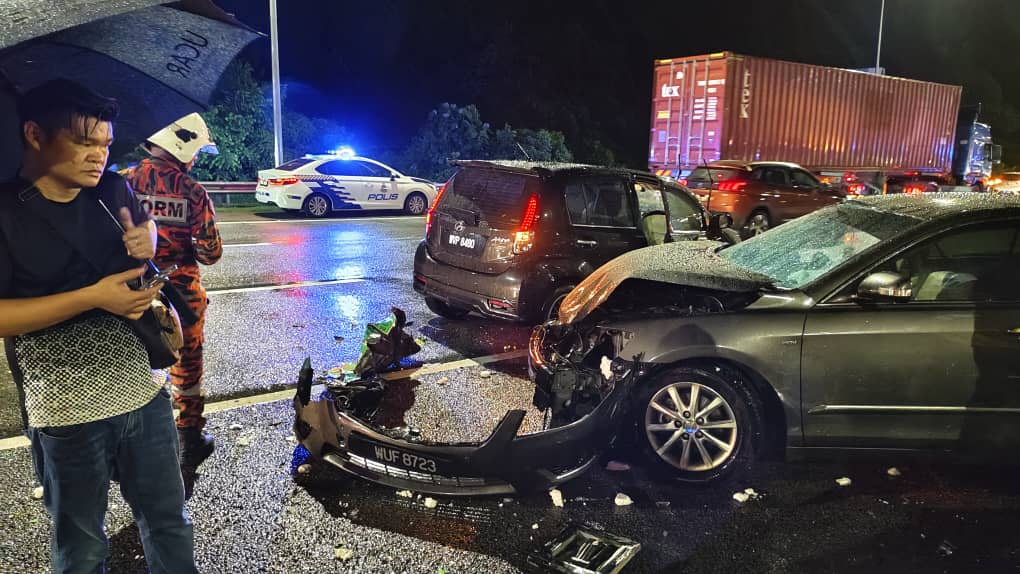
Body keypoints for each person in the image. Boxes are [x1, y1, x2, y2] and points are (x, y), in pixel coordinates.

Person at [0, 79, 198, 572]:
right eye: (85, 143)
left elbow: (145, 225)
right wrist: (93, 298)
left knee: (169, 522)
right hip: (65, 405)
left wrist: (148, 238)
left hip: (142, 389)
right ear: (34, 134)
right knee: (82, 546)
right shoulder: (5, 211)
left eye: (106, 144)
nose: (98, 156)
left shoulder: (111, 186)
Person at [126, 113, 222, 498]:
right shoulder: (192, 191)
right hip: (180, 296)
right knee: (188, 365)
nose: (195, 159)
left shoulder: (120, 183)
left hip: (130, 294)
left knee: (135, 366)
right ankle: (189, 438)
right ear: (180, 144)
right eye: (195, 151)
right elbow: (211, 252)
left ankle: (140, 441)